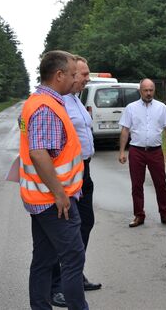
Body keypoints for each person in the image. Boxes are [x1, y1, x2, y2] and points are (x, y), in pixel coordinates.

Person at [18, 50, 89, 310]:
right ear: (58, 75)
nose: (75, 79)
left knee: (43, 260)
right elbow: (38, 153)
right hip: (54, 201)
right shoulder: (46, 108)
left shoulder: (37, 101)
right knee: (73, 260)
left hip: (42, 199)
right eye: (72, 74)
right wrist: (60, 194)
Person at [50, 56, 101, 308]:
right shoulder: (57, 101)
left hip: (84, 170)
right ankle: (58, 284)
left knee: (85, 223)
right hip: (69, 172)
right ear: (69, 74)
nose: (86, 78)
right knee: (67, 231)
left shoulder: (76, 99)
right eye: (83, 74)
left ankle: (74, 274)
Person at [118, 78, 166, 228]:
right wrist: (122, 151)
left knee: (161, 183)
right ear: (140, 91)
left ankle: (165, 213)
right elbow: (125, 129)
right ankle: (139, 215)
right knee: (137, 185)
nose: (149, 93)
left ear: (154, 90)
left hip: (155, 151)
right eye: (146, 90)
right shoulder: (131, 108)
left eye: (151, 90)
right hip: (137, 151)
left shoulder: (161, 107)